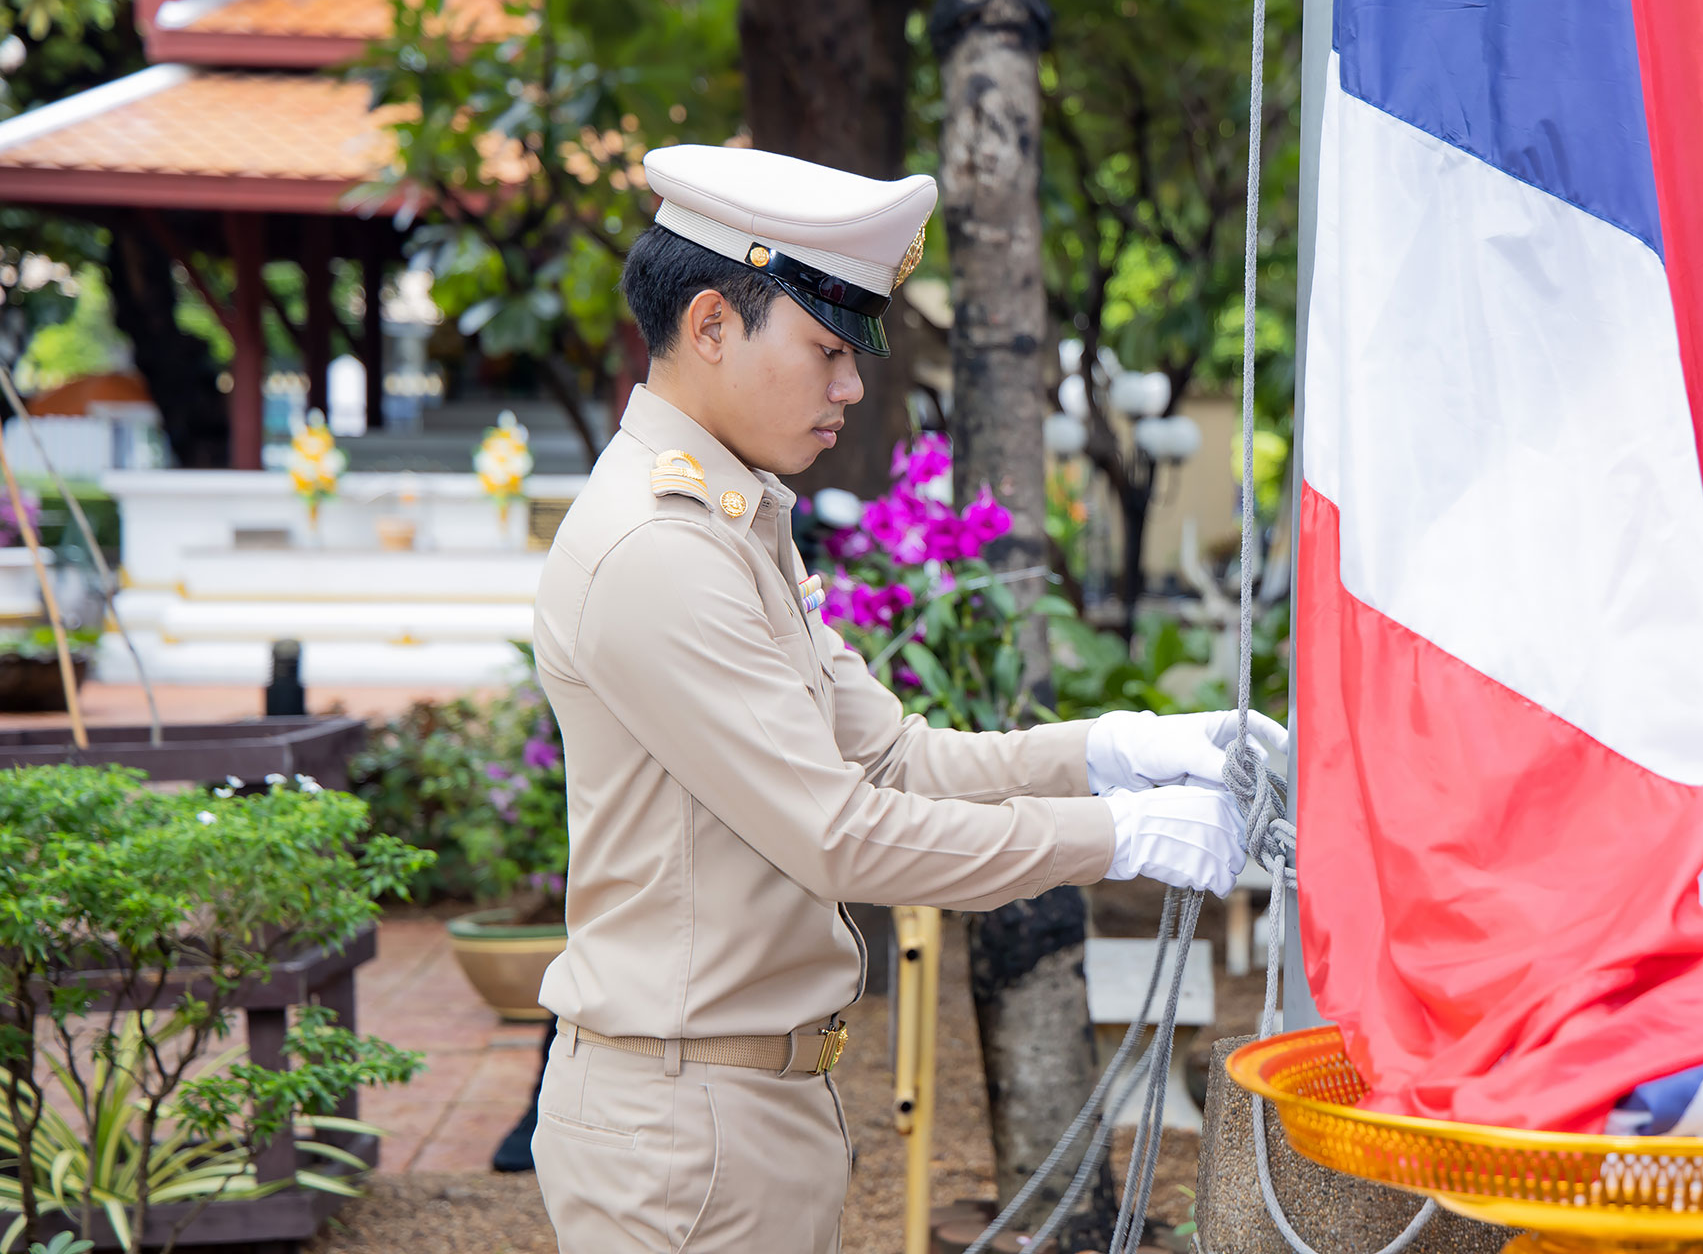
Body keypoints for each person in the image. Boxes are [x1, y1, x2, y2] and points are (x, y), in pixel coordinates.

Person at [527, 143, 1285, 1253]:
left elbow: (893, 760)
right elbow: (840, 835)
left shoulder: (732, 519)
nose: (850, 387)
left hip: (744, 1103)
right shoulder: (662, 547)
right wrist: (1120, 836)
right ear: (711, 324)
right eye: (829, 349)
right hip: (684, 1126)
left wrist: (1113, 751)